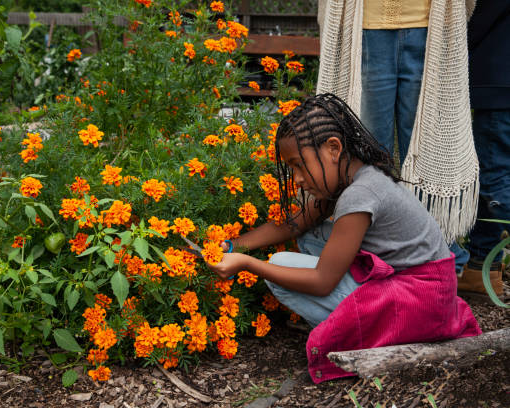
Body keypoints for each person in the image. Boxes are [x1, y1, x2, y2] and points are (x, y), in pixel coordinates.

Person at [208, 94, 481, 383]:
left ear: (333, 148)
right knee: (310, 234)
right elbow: (293, 225)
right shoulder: (356, 177)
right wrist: (233, 245)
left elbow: (322, 282)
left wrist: (248, 264)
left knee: (278, 266)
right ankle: (359, 317)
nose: (297, 178)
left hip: (421, 302)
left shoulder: (359, 196)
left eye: (299, 165)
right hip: (428, 289)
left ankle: (354, 334)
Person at [316, 0, 480, 252]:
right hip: (367, 27)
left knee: (429, 151)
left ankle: (436, 254)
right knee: (369, 150)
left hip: (429, 26)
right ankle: (377, 249)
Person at [456, 0, 510, 296]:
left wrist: (454, 38)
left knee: (494, 175)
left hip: (500, 80)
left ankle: (481, 266)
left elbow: (484, 13)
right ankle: (483, 268)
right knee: (499, 174)